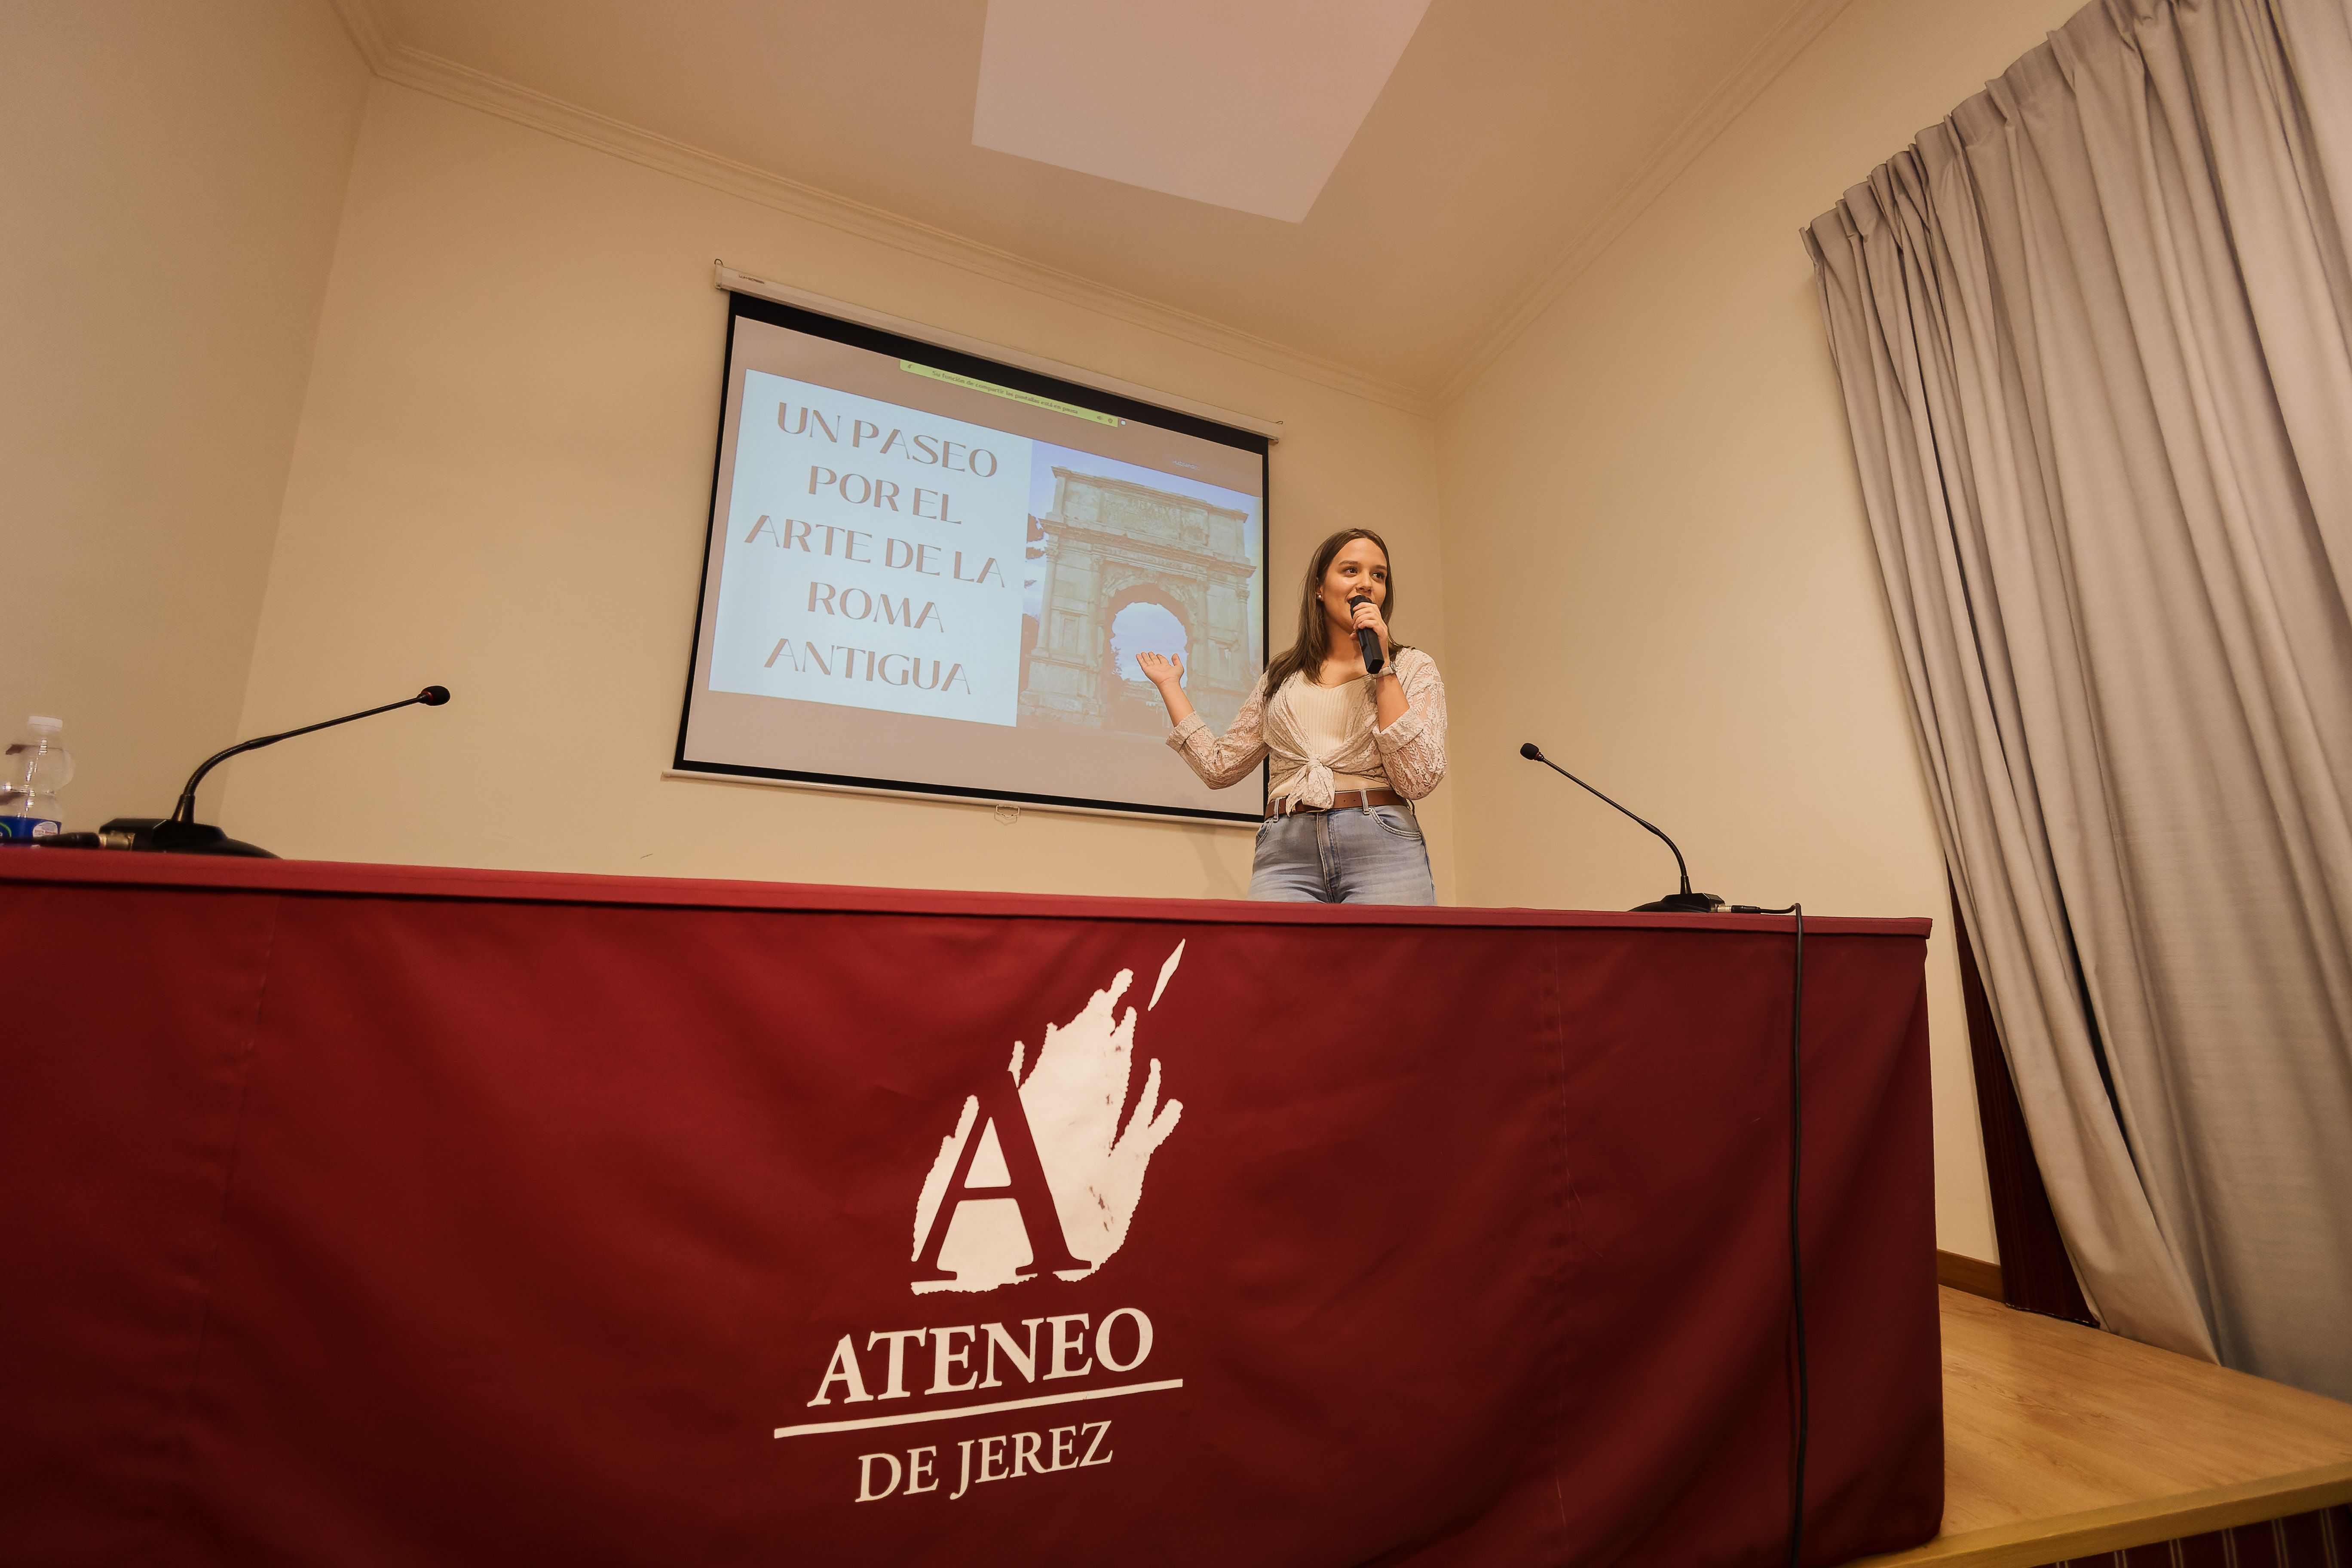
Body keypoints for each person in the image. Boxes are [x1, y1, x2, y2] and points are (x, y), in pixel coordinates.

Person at [1138, 527, 1445, 903]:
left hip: (1381, 841)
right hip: (1286, 852)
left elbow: (1418, 779)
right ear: (1319, 586)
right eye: (1351, 571)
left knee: (1389, 964)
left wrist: (1382, 669)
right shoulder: (1282, 676)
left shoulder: (1412, 667)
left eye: (1378, 575)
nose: (1366, 584)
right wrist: (1171, 686)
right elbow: (1220, 767)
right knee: (1271, 962)